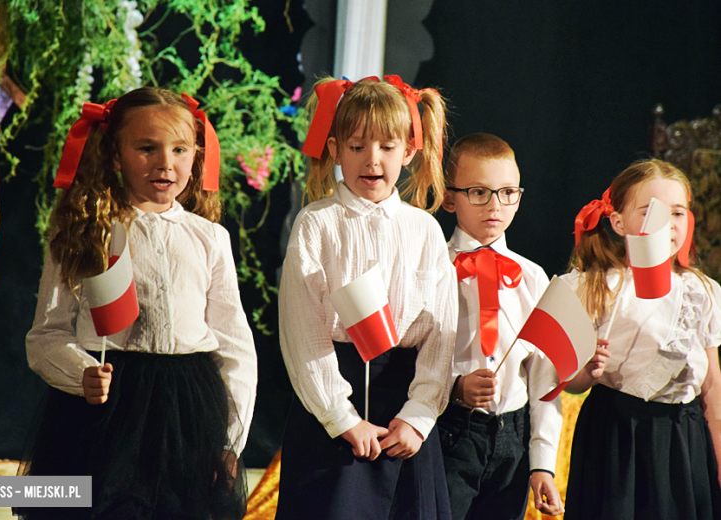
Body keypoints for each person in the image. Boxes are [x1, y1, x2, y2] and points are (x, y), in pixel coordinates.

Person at [18, 87, 257, 520]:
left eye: (180, 149)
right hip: (106, 408)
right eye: (147, 148)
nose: (166, 163)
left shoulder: (209, 239)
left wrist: (229, 441)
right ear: (114, 154)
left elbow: (235, 344)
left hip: (187, 410)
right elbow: (47, 334)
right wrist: (82, 372)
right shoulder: (85, 232)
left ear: (195, 156)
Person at [276, 75, 457, 520]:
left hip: (405, 408)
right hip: (334, 404)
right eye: (357, 146)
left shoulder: (424, 229)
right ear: (335, 149)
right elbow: (303, 332)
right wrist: (342, 417)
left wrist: (419, 415)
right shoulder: (317, 223)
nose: (371, 160)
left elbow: (442, 334)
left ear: (409, 151)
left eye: (386, 147)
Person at [563, 158, 721, 520]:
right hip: (617, 435)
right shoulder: (595, 286)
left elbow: (712, 385)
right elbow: (570, 382)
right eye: (651, 212)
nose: (665, 224)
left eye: (677, 213)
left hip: (683, 438)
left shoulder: (702, 291)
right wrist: (587, 371)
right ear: (618, 222)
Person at [438, 133, 572, 519]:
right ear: (450, 198)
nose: (495, 205)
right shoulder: (432, 268)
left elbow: (544, 376)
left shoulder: (533, 277)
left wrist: (542, 461)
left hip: (513, 438)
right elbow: (413, 356)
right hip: (451, 431)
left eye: (508, 192)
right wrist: (455, 387)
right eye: (479, 192)